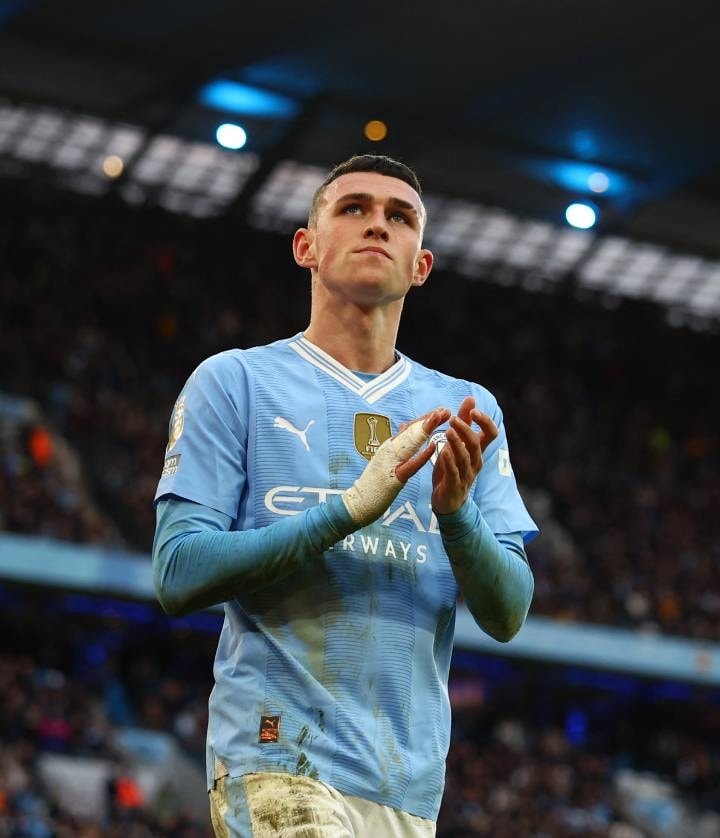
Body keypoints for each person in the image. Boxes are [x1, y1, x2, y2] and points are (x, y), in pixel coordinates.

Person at [152, 154, 537, 837]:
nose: (377, 225)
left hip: (405, 786)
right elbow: (178, 571)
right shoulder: (235, 382)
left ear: (421, 265)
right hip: (276, 755)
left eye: (400, 217)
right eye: (353, 208)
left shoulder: (466, 412)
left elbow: (508, 611)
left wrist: (456, 517)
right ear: (306, 246)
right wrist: (346, 512)